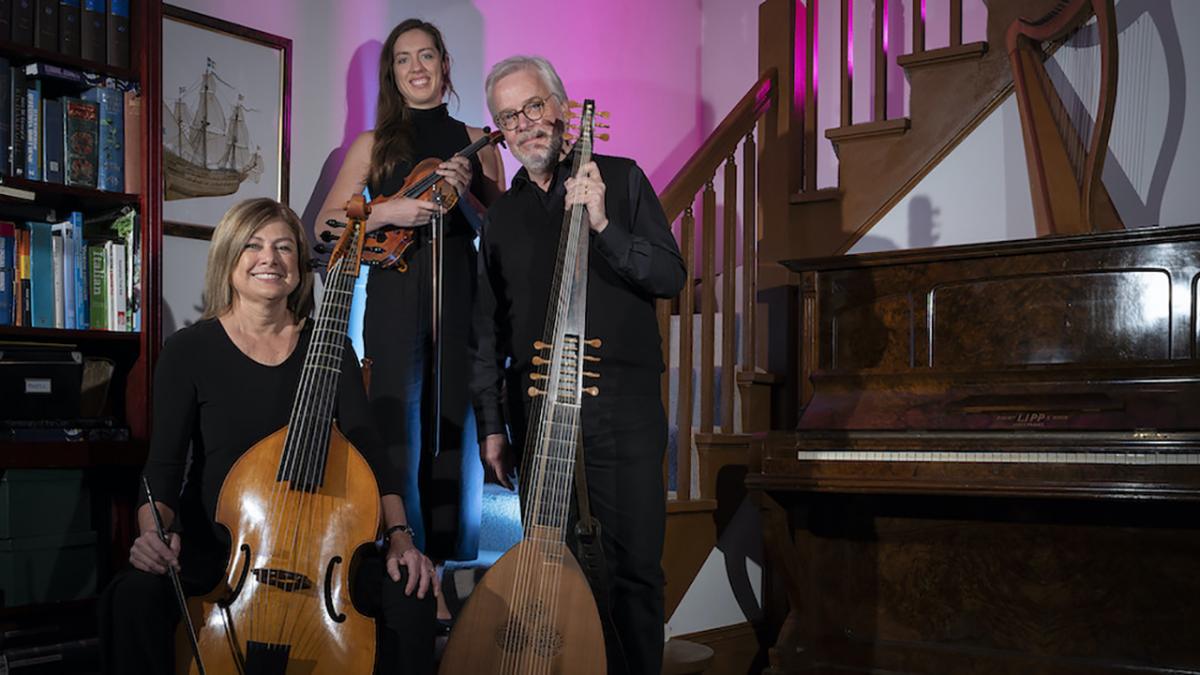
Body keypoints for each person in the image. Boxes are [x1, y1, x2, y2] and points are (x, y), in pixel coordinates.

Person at [100, 198, 439, 674]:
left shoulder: (330, 348)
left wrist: (402, 539)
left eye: (284, 247)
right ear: (229, 258)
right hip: (223, 549)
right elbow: (164, 467)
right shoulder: (188, 350)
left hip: (324, 550)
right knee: (136, 594)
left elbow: (372, 455)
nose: (270, 259)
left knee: (412, 593)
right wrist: (152, 533)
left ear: (300, 267)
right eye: (254, 246)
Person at [471, 55, 686, 675]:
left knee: (634, 572)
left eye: (534, 106)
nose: (525, 124)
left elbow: (670, 275)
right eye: (509, 117)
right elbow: (486, 333)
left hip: (624, 411)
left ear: (561, 107)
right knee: (551, 573)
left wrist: (604, 225)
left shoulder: (618, 178)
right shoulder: (503, 218)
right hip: (538, 414)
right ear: (502, 133)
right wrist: (492, 425)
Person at [315, 19, 505, 582]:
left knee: (454, 423)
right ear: (391, 74)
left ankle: (443, 570)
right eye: (403, 59)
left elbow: (503, 230)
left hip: (463, 293)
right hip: (396, 289)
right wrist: (386, 212)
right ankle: (404, 553)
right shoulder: (373, 146)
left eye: (427, 56)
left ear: (446, 66)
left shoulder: (476, 137)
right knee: (396, 420)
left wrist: (468, 187)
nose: (417, 67)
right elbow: (327, 225)